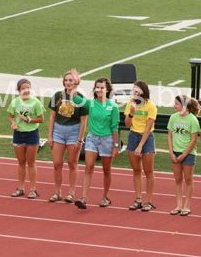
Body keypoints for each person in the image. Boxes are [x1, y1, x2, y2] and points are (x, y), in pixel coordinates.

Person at [70, 69, 120, 209]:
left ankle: (105, 197)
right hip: (92, 138)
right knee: (88, 167)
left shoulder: (113, 106)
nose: (99, 90)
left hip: (107, 140)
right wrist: (76, 83)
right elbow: (74, 97)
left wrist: (115, 146)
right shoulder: (90, 103)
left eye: (102, 88)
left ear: (107, 90)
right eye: (97, 87)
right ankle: (84, 198)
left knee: (106, 170)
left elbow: (115, 127)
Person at [47, 71, 88, 203]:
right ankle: (57, 192)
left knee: (72, 163)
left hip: (74, 131)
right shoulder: (57, 95)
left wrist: (79, 139)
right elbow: (52, 117)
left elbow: (83, 122)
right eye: (66, 80)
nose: (68, 83)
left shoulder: (81, 98)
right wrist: (49, 136)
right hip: (58, 131)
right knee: (57, 164)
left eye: (71, 80)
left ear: (76, 82)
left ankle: (71, 193)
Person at [7, 79, 45, 199]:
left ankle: (33, 189)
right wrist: (13, 123)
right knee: (21, 162)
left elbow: (41, 119)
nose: (26, 90)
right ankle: (20, 188)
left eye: (28, 87)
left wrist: (28, 120)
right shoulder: (15, 102)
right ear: (19, 90)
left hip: (32, 134)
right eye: (23, 88)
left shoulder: (36, 102)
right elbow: (11, 117)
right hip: (18, 134)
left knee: (31, 162)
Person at [125, 81, 157, 212]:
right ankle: (138, 199)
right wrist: (131, 113)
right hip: (133, 136)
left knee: (148, 171)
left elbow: (148, 128)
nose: (134, 93)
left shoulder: (151, 106)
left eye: (137, 91)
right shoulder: (130, 104)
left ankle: (148, 201)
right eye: (133, 91)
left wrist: (140, 146)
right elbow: (127, 124)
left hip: (146, 138)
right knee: (136, 170)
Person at [168, 94, 201, 216]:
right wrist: (171, 152)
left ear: (184, 105)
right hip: (175, 152)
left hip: (188, 154)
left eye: (176, 104)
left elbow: (193, 141)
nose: (174, 106)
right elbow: (170, 136)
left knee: (188, 179)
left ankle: (186, 206)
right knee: (177, 179)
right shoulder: (173, 118)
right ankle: (178, 205)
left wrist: (184, 155)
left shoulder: (192, 120)